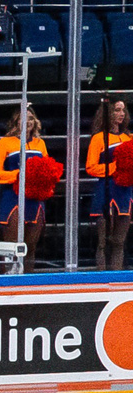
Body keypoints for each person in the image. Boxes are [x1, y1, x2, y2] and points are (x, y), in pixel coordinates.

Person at [0, 104, 58, 268]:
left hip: (35, 199)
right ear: (16, 121)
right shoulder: (5, 142)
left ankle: (28, 283)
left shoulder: (40, 143)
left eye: (31, 118)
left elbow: (48, 169)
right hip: (13, 197)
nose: (28, 121)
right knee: (12, 247)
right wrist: (18, 175)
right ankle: (9, 283)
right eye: (24, 118)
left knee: (30, 247)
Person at [87, 95, 133, 272]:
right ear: (108, 113)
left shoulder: (129, 137)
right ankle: (102, 279)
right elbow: (91, 167)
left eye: (123, 110)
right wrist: (115, 167)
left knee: (119, 241)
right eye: (117, 110)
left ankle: (117, 279)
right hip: (106, 190)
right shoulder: (99, 138)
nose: (121, 114)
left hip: (125, 192)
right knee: (103, 242)